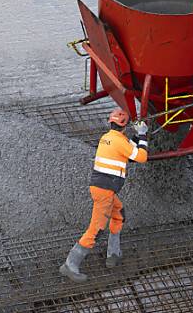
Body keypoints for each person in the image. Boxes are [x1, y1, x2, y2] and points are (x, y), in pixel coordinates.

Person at [60, 107, 148, 282]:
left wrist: (138, 137)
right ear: (125, 126)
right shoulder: (120, 141)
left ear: (111, 123)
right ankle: (70, 264)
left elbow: (128, 152)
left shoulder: (107, 138)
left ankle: (113, 254)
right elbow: (141, 157)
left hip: (101, 188)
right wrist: (143, 134)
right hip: (105, 191)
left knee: (119, 215)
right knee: (96, 229)